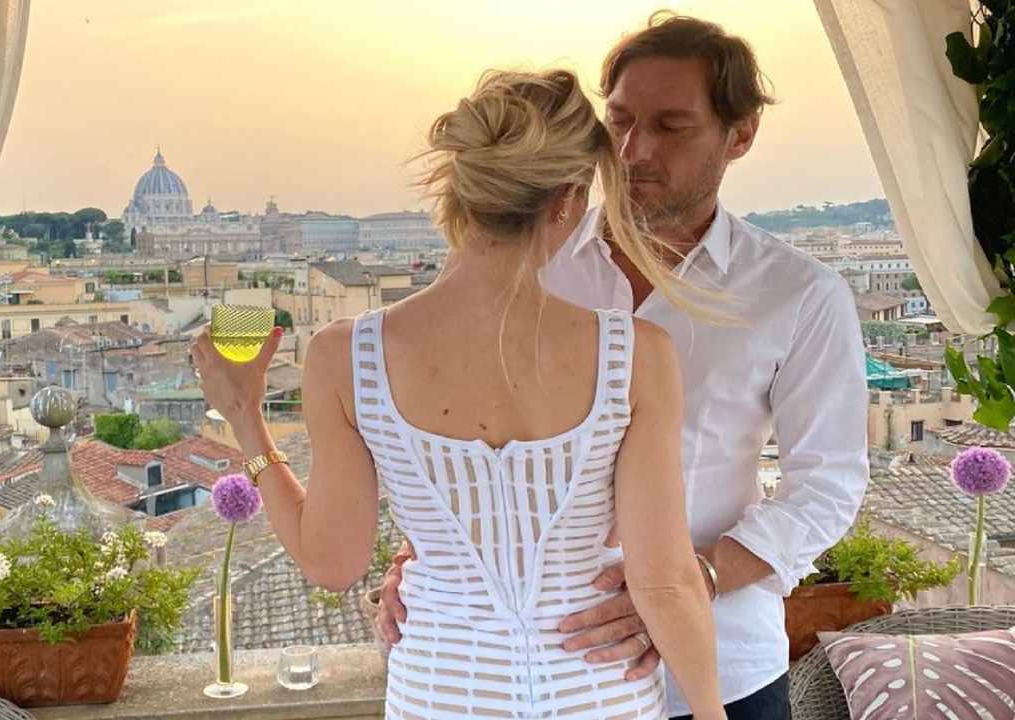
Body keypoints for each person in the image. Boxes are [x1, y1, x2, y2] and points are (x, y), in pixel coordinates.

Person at [377, 14, 869, 720]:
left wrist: (693, 580)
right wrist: (420, 557)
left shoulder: (799, 294)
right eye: (620, 121)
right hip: (546, 680)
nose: (634, 151)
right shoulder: (525, 267)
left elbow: (827, 485)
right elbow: (469, 434)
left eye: (671, 126)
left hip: (724, 666)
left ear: (740, 134)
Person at [193, 69, 726, 719]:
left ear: (459, 191)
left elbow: (333, 562)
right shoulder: (635, 354)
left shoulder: (346, 356)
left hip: (441, 694)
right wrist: (710, 711)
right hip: (597, 694)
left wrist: (246, 417)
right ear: (566, 200)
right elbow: (664, 582)